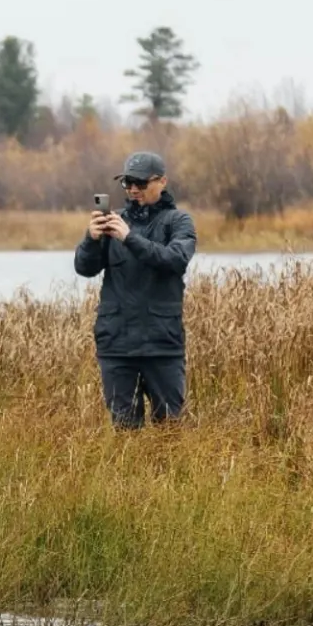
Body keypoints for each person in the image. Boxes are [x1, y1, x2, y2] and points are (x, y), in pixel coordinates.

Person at [74, 151, 198, 429]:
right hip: (116, 345)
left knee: (170, 428)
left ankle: (171, 474)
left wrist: (129, 238)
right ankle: (128, 474)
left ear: (162, 181)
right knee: (124, 431)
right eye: (127, 183)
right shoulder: (113, 222)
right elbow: (84, 268)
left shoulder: (179, 221)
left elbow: (174, 260)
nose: (133, 190)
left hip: (162, 346)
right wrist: (91, 239)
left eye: (140, 183)